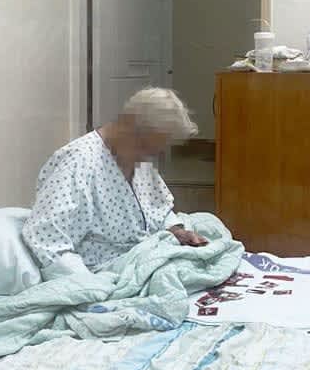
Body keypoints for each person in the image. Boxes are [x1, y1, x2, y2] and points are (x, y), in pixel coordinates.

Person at [22, 88, 207, 279]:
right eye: (145, 148)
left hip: (147, 257)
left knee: (211, 230)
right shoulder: (78, 162)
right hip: (104, 272)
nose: (146, 158)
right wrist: (90, 284)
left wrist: (176, 231)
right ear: (128, 128)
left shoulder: (136, 157)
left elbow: (158, 209)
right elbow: (46, 238)